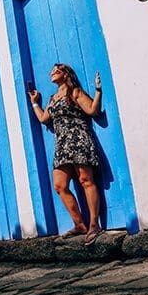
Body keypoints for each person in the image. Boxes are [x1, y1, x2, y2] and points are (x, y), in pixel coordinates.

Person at [28, 63, 104, 246]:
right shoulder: (53, 98)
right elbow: (43, 119)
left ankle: (94, 225)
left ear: (65, 73)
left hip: (78, 139)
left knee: (86, 180)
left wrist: (98, 91)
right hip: (62, 144)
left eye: (57, 70)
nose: (52, 72)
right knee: (59, 186)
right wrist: (34, 103)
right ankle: (79, 225)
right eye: (51, 70)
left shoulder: (75, 92)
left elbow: (92, 110)